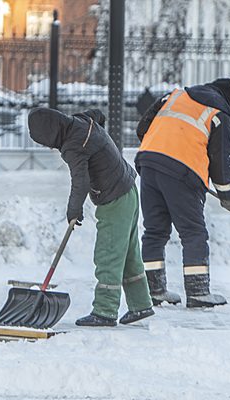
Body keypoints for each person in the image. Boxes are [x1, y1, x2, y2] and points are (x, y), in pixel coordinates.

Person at [28, 107, 154, 327]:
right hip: (129, 191)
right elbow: (98, 114)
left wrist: (74, 211)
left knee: (108, 254)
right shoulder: (81, 121)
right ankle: (141, 305)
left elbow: (81, 181)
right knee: (127, 255)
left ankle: (105, 311)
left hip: (114, 199)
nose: (48, 146)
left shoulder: (73, 146)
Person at [135, 78, 230, 308]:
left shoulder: (173, 97)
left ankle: (153, 291)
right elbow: (220, 162)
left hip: (148, 163)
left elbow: (141, 129)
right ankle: (198, 292)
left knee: (154, 231)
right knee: (193, 232)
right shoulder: (218, 113)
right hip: (181, 172)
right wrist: (228, 196)